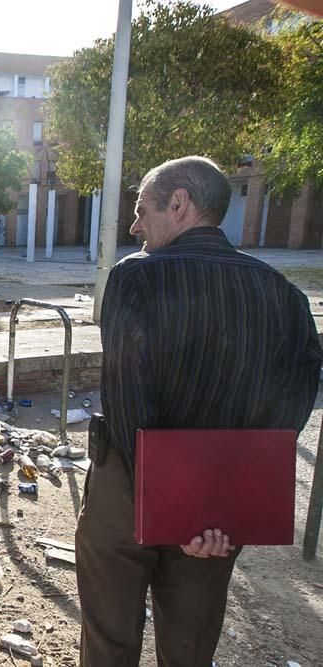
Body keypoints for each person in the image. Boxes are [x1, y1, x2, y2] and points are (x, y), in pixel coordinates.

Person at [75, 156, 322, 666]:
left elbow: (129, 398)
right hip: (221, 512)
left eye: (142, 210)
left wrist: (174, 508)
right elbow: (294, 405)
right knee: (190, 647)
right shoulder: (287, 297)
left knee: (109, 640)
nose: (135, 226)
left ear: (180, 203)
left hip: (129, 485)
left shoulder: (137, 278)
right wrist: (221, 505)